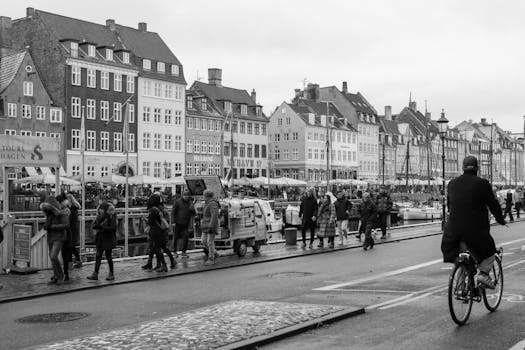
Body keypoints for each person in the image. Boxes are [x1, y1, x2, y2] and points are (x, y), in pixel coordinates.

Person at [445, 156, 505, 289]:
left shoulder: (452, 184)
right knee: (490, 251)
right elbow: (493, 204)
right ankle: (483, 274)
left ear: (462, 167)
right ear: (477, 168)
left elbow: (449, 206)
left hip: (453, 231)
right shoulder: (482, 183)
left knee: (462, 257)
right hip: (475, 231)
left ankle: (460, 289)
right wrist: (501, 219)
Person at [41, 196, 70, 285]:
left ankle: (60, 275)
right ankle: (56, 276)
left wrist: (52, 227)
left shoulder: (61, 213)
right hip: (51, 237)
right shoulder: (49, 215)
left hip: (59, 237)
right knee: (52, 257)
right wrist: (46, 226)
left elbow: (66, 225)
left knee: (53, 256)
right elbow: (49, 225)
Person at [145, 194, 176, 272]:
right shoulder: (160, 209)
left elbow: (151, 222)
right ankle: (165, 263)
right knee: (160, 248)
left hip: (157, 232)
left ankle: (163, 265)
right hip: (162, 231)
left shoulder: (153, 209)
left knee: (157, 248)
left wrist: (147, 221)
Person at [87, 202, 117, 281]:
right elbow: (94, 226)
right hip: (101, 238)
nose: (100, 210)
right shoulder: (100, 217)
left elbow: (113, 228)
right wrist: (99, 225)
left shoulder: (111, 217)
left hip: (108, 239)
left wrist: (102, 227)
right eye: (100, 209)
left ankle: (111, 273)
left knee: (108, 256)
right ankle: (95, 273)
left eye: (102, 209)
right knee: (98, 256)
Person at [171, 190, 195, 258]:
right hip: (177, 223)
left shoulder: (190, 203)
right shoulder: (177, 202)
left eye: (188, 196)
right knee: (175, 237)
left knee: (186, 237)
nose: (186, 197)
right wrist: (173, 222)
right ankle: (174, 251)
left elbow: (193, 213)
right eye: (185, 195)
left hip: (185, 223)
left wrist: (192, 209)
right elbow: (173, 212)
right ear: (183, 195)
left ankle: (184, 252)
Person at [201, 189, 219, 265]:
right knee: (203, 241)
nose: (203, 197)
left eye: (204, 195)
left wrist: (211, 226)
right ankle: (214, 253)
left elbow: (214, 215)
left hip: (211, 225)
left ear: (207, 196)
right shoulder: (206, 203)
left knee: (210, 242)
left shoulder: (212, 203)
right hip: (206, 225)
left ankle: (211, 258)